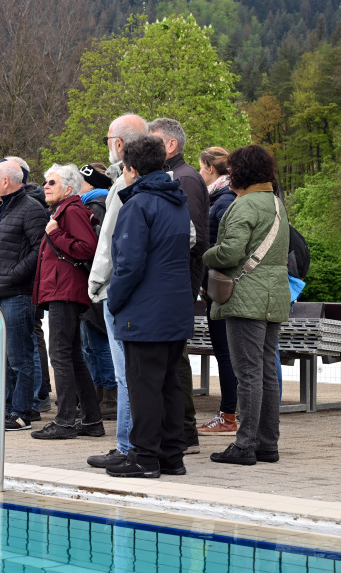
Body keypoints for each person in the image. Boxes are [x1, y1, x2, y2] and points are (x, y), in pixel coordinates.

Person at [105, 135, 194, 478]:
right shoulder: (176, 201)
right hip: (175, 307)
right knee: (170, 383)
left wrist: (115, 300)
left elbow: (128, 264)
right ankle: (171, 455)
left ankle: (144, 457)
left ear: (131, 169)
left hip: (145, 311)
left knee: (144, 385)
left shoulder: (138, 205)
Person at [202, 144, 291, 466]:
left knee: (248, 374)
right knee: (267, 371)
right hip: (274, 295)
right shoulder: (276, 203)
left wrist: (205, 254)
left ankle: (245, 445)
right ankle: (268, 444)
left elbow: (229, 253)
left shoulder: (243, 206)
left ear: (240, 173)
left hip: (245, 297)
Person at [84, 113, 149, 468]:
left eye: (108, 139)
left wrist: (96, 284)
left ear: (119, 145)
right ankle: (139, 444)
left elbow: (110, 243)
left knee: (126, 374)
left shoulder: (124, 188)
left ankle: (127, 445)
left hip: (118, 291)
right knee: (138, 374)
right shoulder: (165, 185)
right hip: (144, 293)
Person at [147, 118, 210, 454]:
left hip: (178, 282)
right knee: (171, 357)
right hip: (174, 281)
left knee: (174, 357)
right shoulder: (176, 177)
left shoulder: (184, 178)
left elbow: (194, 238)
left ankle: (184, 433)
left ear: (170, 145)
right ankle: (178, 432)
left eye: (152, 140)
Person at [30, 164, 103, 440]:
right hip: (64, 291)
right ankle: (92, 421)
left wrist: (55, 233)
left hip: (66, 291)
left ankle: (65, 422)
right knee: (72, 355)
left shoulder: (70, 211)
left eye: (52, 182)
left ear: (69, 188)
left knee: (60, 355)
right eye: (45, 181)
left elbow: (87, 248)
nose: (45, 186)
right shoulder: (63, 210)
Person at [0, 160, 49, 431]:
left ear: (6, 181)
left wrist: (13, 275)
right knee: (2, 356)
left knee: (20, 356)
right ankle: (7, 408)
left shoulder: (31, 209)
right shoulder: (1, 210)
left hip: (17, 294)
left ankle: (22, 411)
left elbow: (39, 250)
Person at [196, 147, 239, 435]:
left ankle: (228, 416)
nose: (199, 174)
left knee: (225, 354)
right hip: (229, 289)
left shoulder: (220, 203)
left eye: (201, 168)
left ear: (211, 169)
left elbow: (215, 249)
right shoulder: (231, 198)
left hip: (221, 290)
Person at [77, 162, 117, 419]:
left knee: (98, 344)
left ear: (91, 184)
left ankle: (109, 397)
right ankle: (98, 393)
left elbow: (96, 250)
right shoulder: (93, 205)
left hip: (95, 285)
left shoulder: (96, 207)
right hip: (89, 283)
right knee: (91, 345)